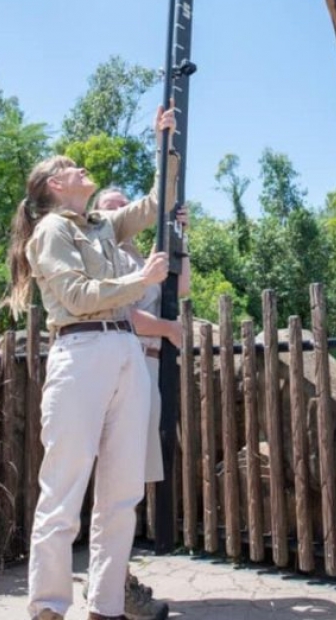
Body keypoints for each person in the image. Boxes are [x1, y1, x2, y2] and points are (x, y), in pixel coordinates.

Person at [6, 105, 179, 620]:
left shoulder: (102, 225)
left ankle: (106, 609)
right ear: (56, 183)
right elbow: (79, 296)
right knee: (62, 492)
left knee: (121, 494)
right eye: (74, 166)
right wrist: (140, 282)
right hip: (80, 353)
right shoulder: (52, 232)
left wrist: (163, 141)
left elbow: (157, 203)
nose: (83, 168)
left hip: (124, 349)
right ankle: (49, 609)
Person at [90, 187, 190, 620]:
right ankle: (116, 589)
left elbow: (180, 288)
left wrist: (181, 238)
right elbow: (122, 313)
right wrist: (168, 329)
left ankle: (114, 584)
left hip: (148, 367)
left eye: (123, 204)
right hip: (127, 361)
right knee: (119, 482)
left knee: (132, 479)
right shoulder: (103, 255)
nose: (119, 211)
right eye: (110, 206)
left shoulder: (140, 255)